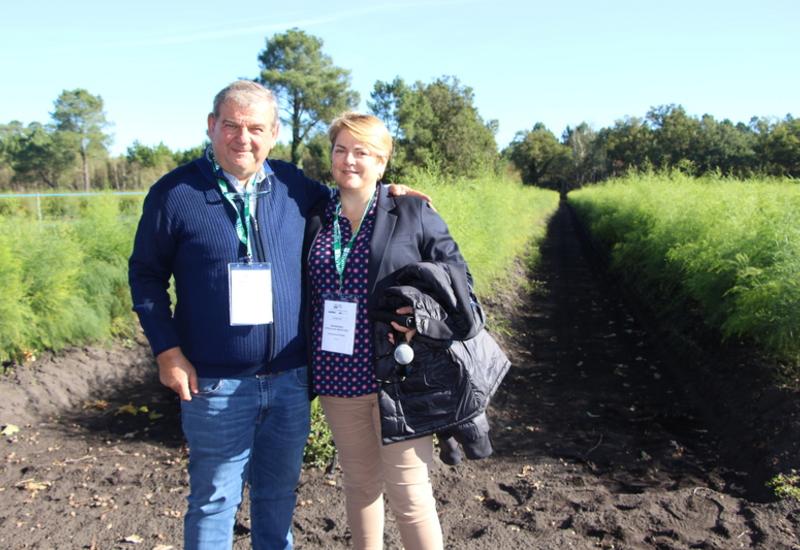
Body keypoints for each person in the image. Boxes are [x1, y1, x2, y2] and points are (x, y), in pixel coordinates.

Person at [128, 81, 421, 550]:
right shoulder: (174, 193)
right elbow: (145, 276)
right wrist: (167, 351)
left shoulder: (292, 186)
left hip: (290, 379)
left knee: (278, 496)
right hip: (215, 383)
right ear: (211, 126)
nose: (243, 138)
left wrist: (390, 194)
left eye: (256, 128)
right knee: (213, 501)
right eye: (231, 125)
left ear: (274, 133)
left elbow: (352, 194)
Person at [302, 112, 492, 550]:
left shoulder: (410, 211)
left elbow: (459, 282)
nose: (349, 160)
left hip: (400, 376)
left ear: (382, 162)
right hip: (336, 377)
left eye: (362, 152)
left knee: (410, 495)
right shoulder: (315, 215)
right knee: (359, 485)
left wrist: (419, 315)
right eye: (340, 150)